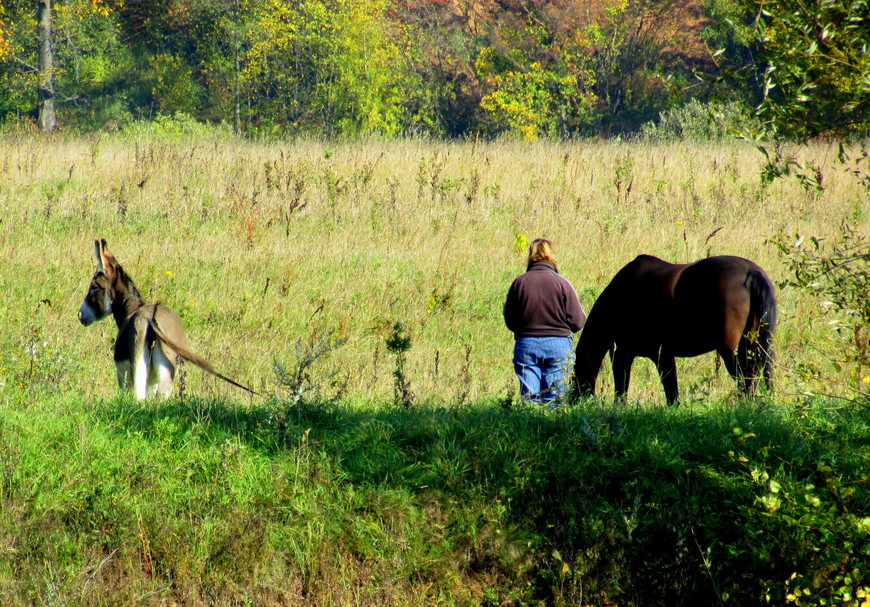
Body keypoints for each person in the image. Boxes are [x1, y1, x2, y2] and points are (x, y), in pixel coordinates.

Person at [503, 238, 586, 405]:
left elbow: (510, 320)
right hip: (559, 346)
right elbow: (578, 321)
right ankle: (553, 430)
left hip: (526, 343)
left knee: (530, 400)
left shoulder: (519, 283)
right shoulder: (563, 283)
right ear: (551, 255)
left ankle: (530, 430)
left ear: (530, 256)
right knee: (556, 400)